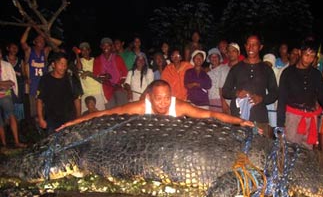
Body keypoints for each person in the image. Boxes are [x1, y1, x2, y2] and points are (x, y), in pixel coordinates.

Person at [58, 80, 255, 131]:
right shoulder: (141, 106)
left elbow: (210, 115)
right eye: (159, 99)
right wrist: (73, 122)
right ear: (150, 98)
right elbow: (107, 113)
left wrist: (240, 121)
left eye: (167, 98)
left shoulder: (179, 107)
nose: (163, 103)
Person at [277, 39, 323, 149]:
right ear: (300, 53)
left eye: (312, 56)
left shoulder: (316, 74)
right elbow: (281, 99)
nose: (309, 59)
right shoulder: (288, 73)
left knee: (307, 153)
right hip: (292, 118)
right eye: (306, 54)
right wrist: (280, 123)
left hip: (310, 118)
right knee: (289, 151)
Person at [222, 34, 278, 137]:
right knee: (237, 150)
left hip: (259, 118)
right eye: (248, 45)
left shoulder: (267, 69)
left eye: (254, 45)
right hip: (238, 118)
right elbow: (225, 91)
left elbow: (274, 93)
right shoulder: (236, 68)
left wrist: (261, 98)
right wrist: (237, 93)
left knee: (259, 151)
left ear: (260, 47)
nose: (250, 48)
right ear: (245, 46)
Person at [36, 52, 82, 134]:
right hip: (52, 120)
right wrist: (40, 118)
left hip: (69, 118)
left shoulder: (71, 79)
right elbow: (39, 99)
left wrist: (78, 117)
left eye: (65, 64)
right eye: (61, 64)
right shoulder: (45, 79)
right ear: (53, 64)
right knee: (53, 143)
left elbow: (77, 98)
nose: (64, 67)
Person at [0, 48, 26, 148]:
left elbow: (11, 82)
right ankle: (4, 143)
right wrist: (4, 83)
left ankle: (16, 141)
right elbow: (7, 82)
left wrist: (4, 84)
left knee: (12, 116)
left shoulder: (6, 65)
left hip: (6, 96)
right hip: (5, 93)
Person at [93, 37, 128, 109]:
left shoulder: (118, 58)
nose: (106, 47)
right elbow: (96, 74)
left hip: (119, 88)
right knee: (111, 112)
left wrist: (119, 83)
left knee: (123, 110)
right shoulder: (97, 60)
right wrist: (104, 76)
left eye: (108, 45)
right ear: (101, 47)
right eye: (104, 45)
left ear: (111, 46)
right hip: (106, 89)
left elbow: (125, 73)